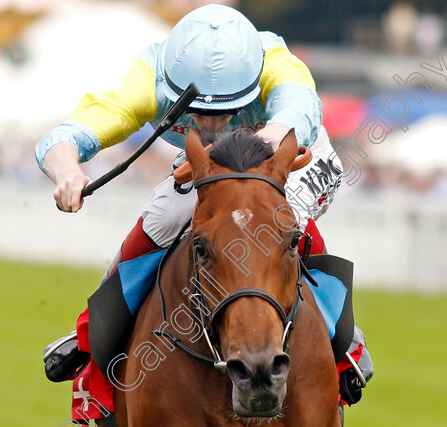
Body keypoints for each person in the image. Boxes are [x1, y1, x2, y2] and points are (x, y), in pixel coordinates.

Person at [36, 4, 372, 403]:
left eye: (225, 110)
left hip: (290, 150)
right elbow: (68, 135)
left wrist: (248, 161)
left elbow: (297, 112)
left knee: (276, 215)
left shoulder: (277, 63)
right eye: (200, 113)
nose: (211, 125)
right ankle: (94, 331)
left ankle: (344, 341)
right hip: (211, 161)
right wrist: (67, 170)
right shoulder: (149, 78)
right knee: (161, 217)